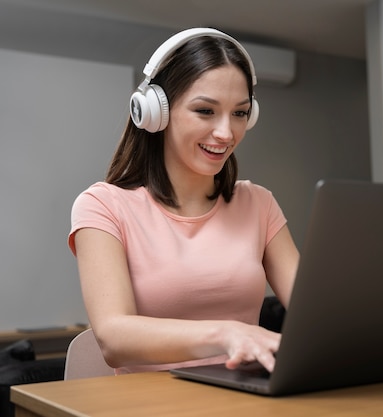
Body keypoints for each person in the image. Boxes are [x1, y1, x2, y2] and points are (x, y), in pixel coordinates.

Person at [68, 28, 299, 375]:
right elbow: (114, 338)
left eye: (240, 113)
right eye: (205, 111)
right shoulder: (103, 206)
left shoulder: (259, 203)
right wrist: (228, 333)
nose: (226, 132)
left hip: (244, 400)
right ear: (155, 112)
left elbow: (315, 314)